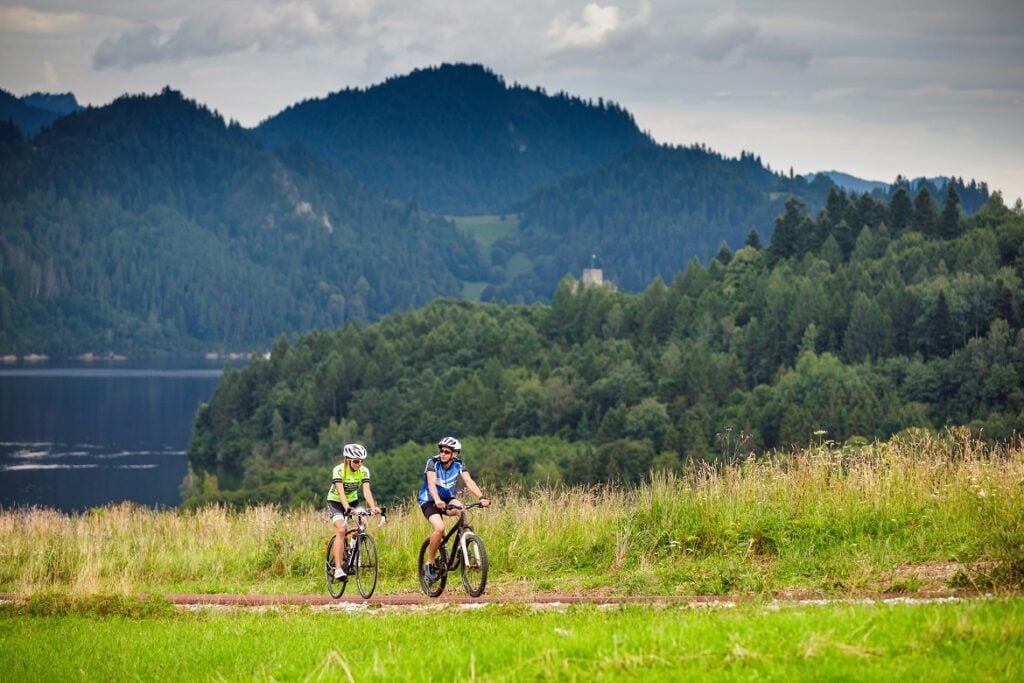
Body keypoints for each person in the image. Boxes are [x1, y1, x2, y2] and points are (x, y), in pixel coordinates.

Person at [417, 436, 489, 581]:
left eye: (446, 452)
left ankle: (462, 545)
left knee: (462, 510)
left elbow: (469, 481)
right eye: (441, 451)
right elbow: (431, 484)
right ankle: (430, 562)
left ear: (454, 454)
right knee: (440, 528)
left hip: (447, 499)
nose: (442, 454)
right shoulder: (432, 462)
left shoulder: (459, 464)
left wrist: (481, 497)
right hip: (429, 501)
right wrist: (437, 500)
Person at [327, 443, 380, 579]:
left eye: (362, 461)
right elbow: (340, 492)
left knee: (363, 524)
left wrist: (373, 506)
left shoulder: (364, 471)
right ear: (347, 459)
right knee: (341, 530)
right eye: (356, 461)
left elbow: (366, 491)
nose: (359, 464)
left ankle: (352, 548)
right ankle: (338, 569)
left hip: (353, 501)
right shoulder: (339, 470)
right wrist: (347, 508)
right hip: (336, 501)